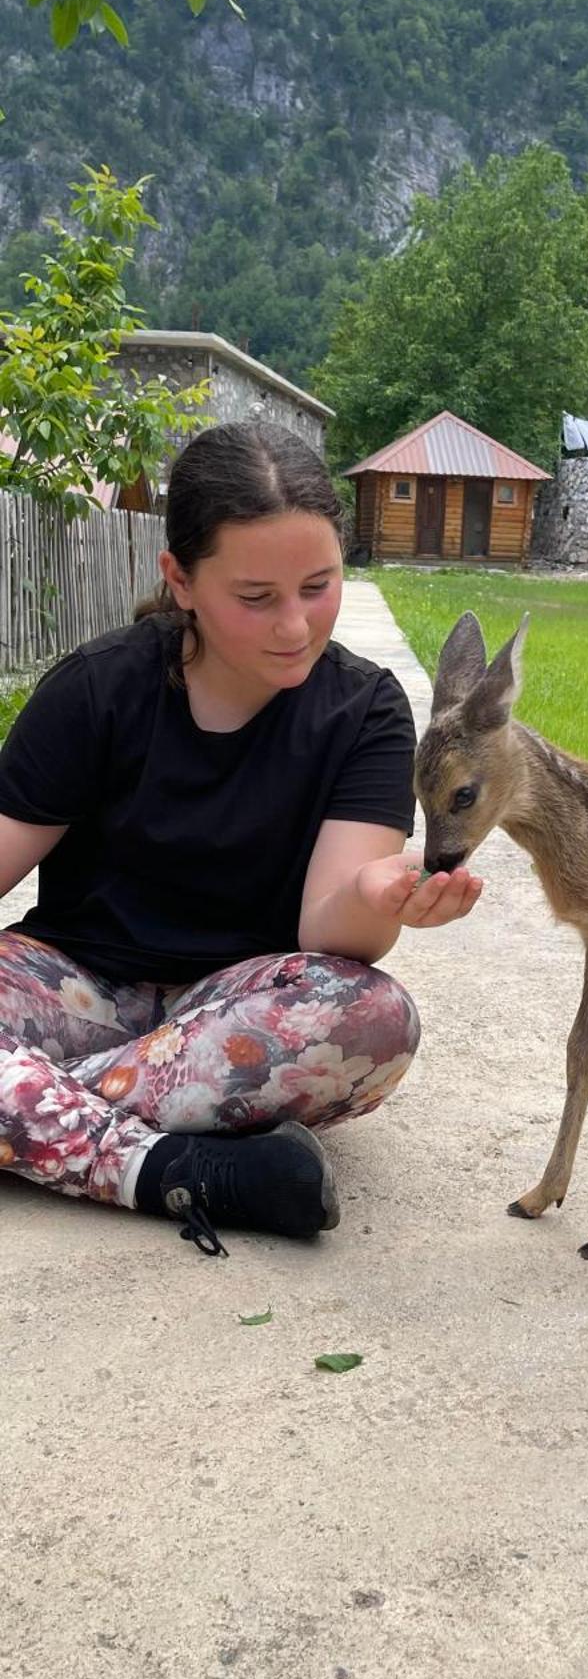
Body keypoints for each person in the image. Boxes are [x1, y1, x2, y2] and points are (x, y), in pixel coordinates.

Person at [0, 421, 481, 1257]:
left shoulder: (363, 711)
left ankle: (37, 1115)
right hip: (76, 983)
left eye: (318, 586)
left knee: (375, 1017)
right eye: (255, 598)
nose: (294, 625)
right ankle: (179, 1169)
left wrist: (377, 896)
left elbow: (332, 935)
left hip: (241, 1005)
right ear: (180, 580)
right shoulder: (100, 687)